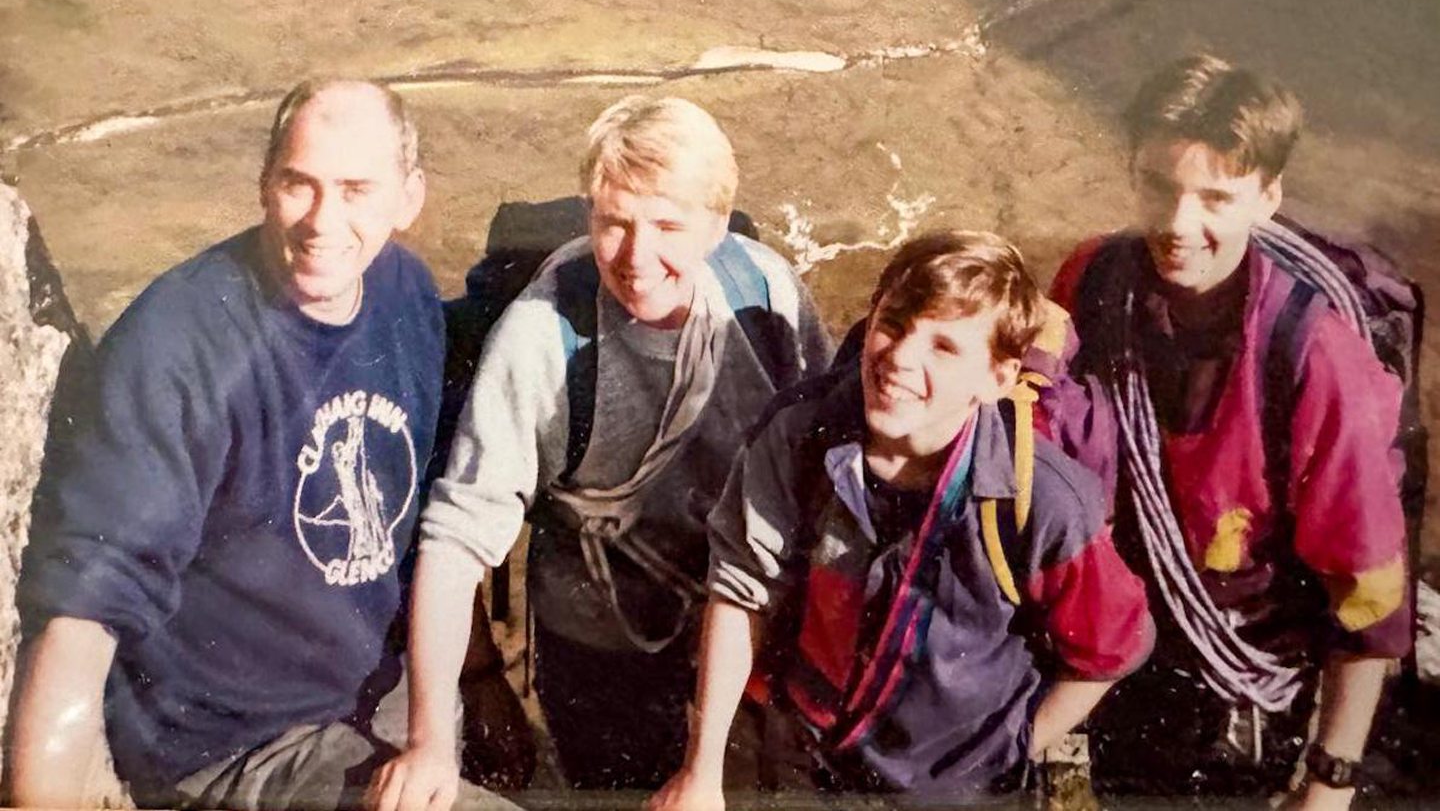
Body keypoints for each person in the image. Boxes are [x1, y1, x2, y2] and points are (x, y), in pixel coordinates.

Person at [8, 80, 511, 811]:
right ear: (263, 185)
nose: (322, 220)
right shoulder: (184, 348)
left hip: (370, 690)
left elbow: (418, 519)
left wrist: (476, 682)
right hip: (232, 745)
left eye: (355, 189)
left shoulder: (402, 294)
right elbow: (87, 609)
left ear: (408, 199)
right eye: (298, 185)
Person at [372, 95, 832, 807]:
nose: (635, 257)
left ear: (716, 224)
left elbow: (820, 459)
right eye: (612, 222)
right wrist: (433, 740)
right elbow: (456, 538)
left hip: (750, 629)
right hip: (600, 643)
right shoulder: (542, 335)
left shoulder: (765, 294)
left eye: (667, 226)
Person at [652, 230, 1153, 809]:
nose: (900, 357)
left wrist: (1010, 747)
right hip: (806, 755)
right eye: (893, 322)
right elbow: (741, 592)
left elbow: (1110, 650)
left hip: (954, 786)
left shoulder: (1042, 500)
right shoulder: (797, 436)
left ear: (997, 377)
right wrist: (702, 772)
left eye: (944, 347)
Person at [1048, 55, 1411, 807]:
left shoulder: (1311, 351)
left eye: (1216, 197)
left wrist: (1328, 783)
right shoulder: (1090, 281)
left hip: (1250, 683)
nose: (1179, 226)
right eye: (1158, 186)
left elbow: (1367, 586)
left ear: (1268, 197)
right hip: (1124, 658)